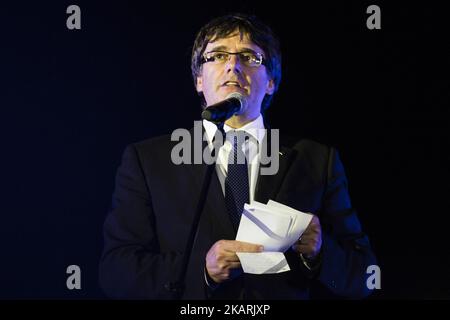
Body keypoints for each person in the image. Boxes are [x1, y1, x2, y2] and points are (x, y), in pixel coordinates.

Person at [99, 13, 377, 299]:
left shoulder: (317, 160)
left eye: (250, 57)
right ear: (198, 79)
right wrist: (202, 272)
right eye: (217, 56)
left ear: (271, 81)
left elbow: (366, 276)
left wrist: (320, 253)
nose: (233, 65)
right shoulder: (148, 161)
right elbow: (116, 272)